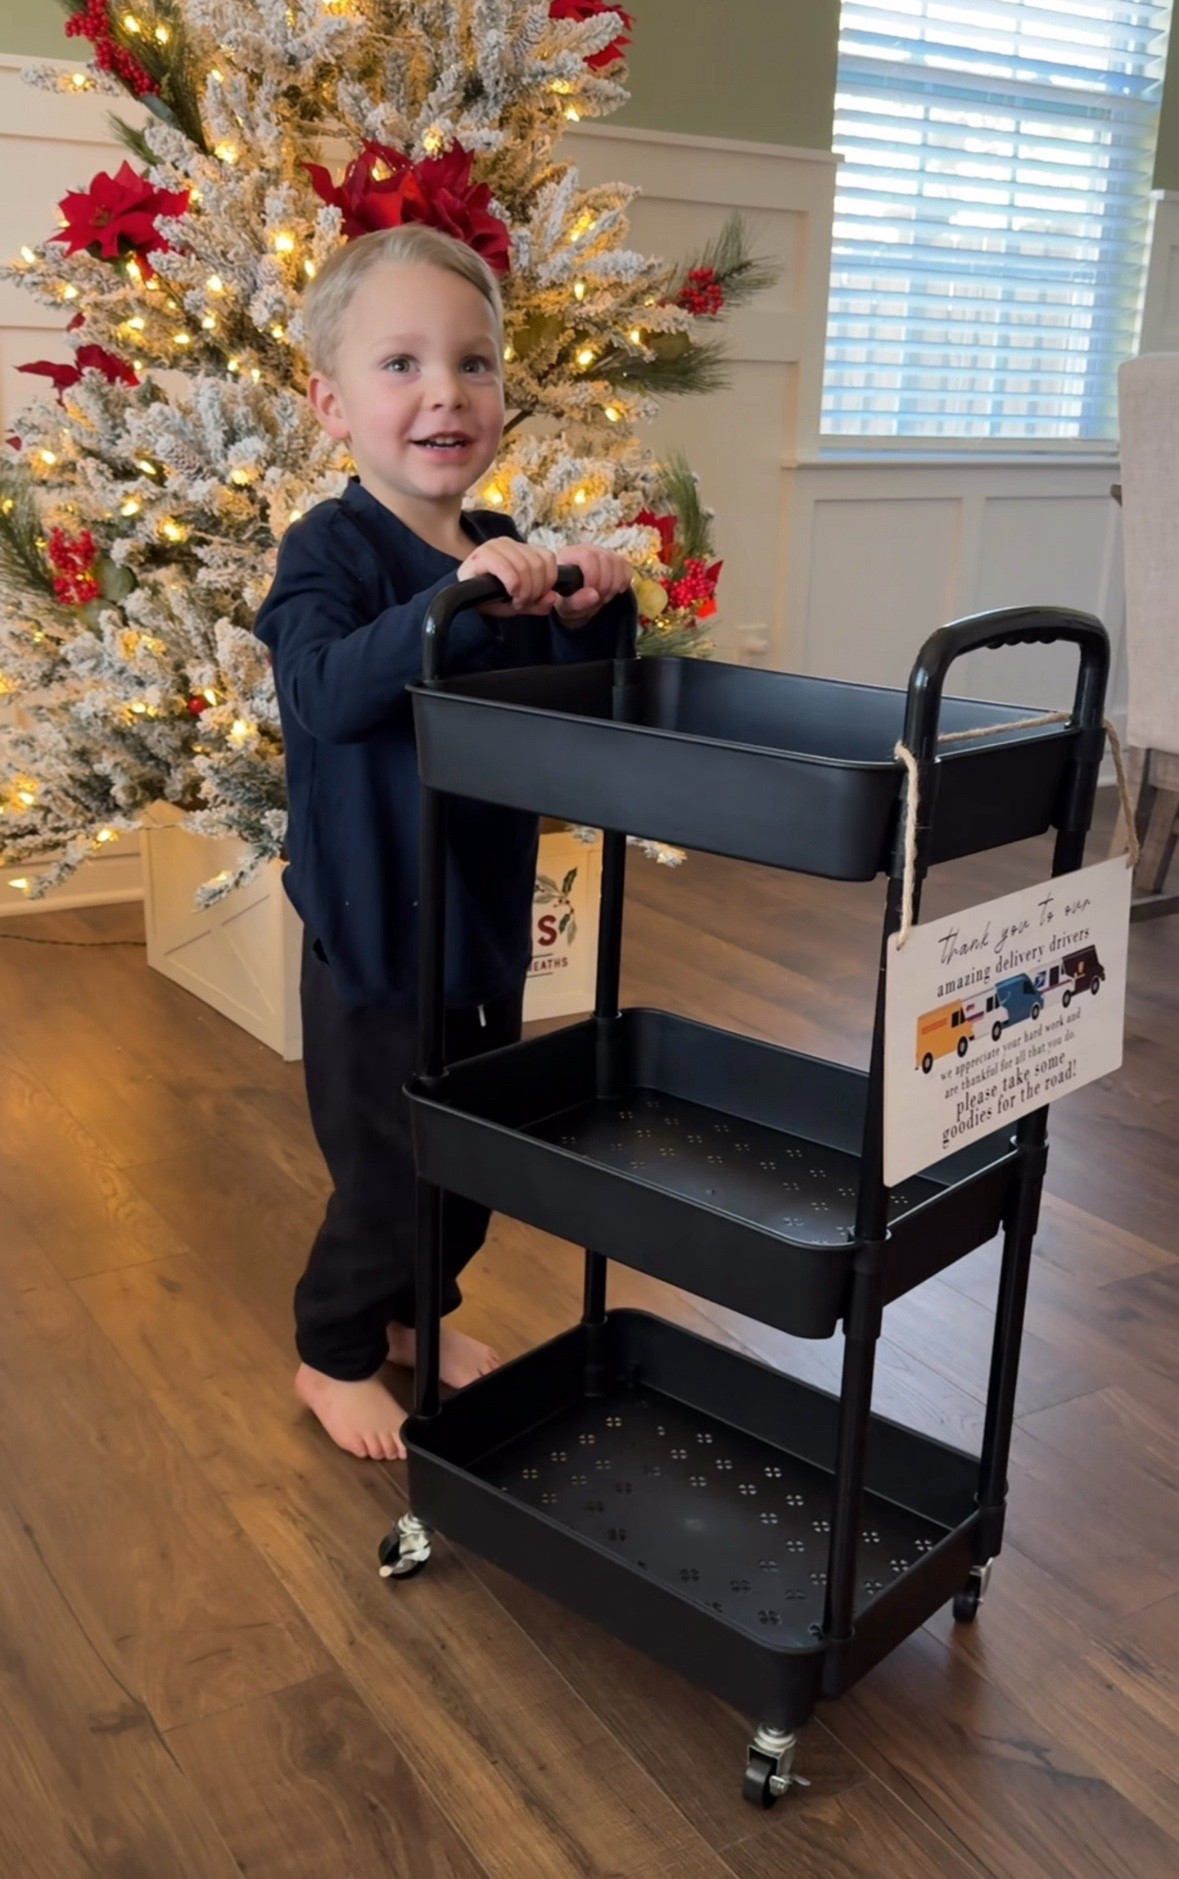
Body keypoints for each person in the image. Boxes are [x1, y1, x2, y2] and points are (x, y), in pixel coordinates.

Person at [256, 223, 634, 1462]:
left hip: (480, 924)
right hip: (372, 937)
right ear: (333, 403)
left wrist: (583, 620)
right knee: (383, 1165)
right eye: (403, 364)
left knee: (474, 1155)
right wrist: (446, 608)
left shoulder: (502, 547)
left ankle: (419, 1312)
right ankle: (336, 1350)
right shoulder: (331, 551)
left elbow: (566, 727)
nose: (444, 393)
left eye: (473, 365)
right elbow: (321, 690)